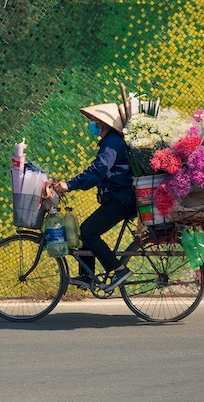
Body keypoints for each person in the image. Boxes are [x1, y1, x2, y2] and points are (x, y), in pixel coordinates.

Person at [46, 102, 135, 291]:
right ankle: (87, 277)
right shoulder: (111, 141)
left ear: (103, 123)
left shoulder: (112, 142)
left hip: (122, 199)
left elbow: (99, 170)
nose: (92, 123)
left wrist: (70, 185)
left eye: (94, 120)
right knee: (85, 231)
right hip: (119, 197)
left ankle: (119, 269)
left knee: (88, 232)